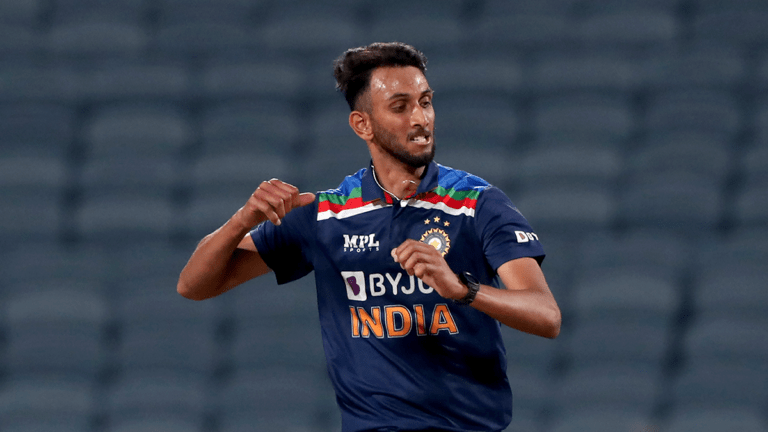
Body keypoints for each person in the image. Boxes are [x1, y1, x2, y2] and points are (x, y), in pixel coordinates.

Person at [178, 42, 561, 432]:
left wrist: (463, 289)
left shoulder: (476, 203)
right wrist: (242, 219)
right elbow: (194, 285)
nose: (421, 118)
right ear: (362, 124)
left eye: (425, 102)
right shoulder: (327, 215)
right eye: (400, 106)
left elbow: (546, 316)